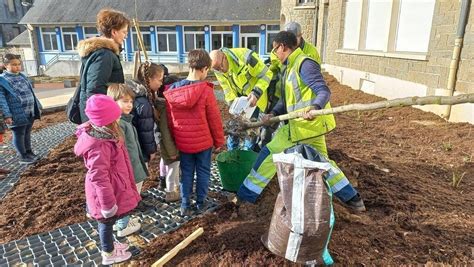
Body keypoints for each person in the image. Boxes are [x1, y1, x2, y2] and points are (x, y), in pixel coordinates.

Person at [236, 31, 366, 212]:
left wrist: (316, 107)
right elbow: (286, 99)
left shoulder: (304, 64)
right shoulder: (289, 66)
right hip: (308, 127)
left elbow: (323, 91)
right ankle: (352, 198)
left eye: (274, 50)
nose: (274, 55)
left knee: (268, 154)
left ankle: (245, 197)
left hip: (303, 127)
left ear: (282, 47)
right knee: (322, 163)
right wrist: (272, 113)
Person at [74, 94, 141, 265]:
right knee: (106, 222)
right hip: (104, 195)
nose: (119, 117)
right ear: (107, 120)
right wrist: (108, 205)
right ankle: (108, 253)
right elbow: (99, 178)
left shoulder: (105, 134)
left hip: (111, 187)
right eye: (116, 116)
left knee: (109, 223)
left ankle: (110, 245)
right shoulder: (100, 145)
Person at [165, 49, 225, 216]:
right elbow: (214, 119)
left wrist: (175, 138)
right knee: (203, 171)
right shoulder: (206, 90)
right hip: (203, 142)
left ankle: (184, 204)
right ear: (204, 68)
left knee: (186, 172)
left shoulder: (174, 90)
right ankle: (201, 202)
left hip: (184, 142)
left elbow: (171, 120)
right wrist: (219, 141)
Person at [209, 48, 272, 151]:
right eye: (217, 69)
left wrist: (256, 93)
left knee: (250, 133)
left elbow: (267, 74)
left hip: (255, 101)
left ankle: (246, 158)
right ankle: (232, 156)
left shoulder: (246, 57)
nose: (220, 70)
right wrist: (232, 104)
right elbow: (226, 88)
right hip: (239, 103)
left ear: (224, 57)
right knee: (233, 131)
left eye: (221, 66)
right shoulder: (218, 69)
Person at [107, 83, 147, 237]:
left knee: (125, 197)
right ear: (112, 102)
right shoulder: (119, 124)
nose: (129, 105)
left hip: (132, 167)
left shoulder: (125, 121)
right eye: (124, 101)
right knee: (127, 198)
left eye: (131, 101)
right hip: (130, 171)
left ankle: (120, 223)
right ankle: (123, 226)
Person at [77, 8, 130, 123]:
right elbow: (95, 89)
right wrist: (103, 119)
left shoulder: (104, 52)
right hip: (101, 116)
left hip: (102, 112)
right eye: (124, 32)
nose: (126, 36)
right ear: (114, 32)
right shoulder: (104, 55)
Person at [0, 54, 42, 164]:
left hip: (29, 111)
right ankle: (23, 156)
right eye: (14, 65)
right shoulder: (3, 80)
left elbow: (30, 93)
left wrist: (37, 105)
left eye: (19, 64)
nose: (17, 67)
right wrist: (7, 115)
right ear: (5, 65)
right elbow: (2, 99)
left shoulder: (22, 76)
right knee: (19, 134)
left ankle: (29, 152)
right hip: (16, 113)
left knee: (27, 132)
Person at [126, 62, 164, 163]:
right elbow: (145, 130)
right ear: (150, 79)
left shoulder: (135, 94)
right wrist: (150, 151)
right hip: (138, 148)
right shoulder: (143, 102)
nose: (161, 83)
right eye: (160, 80)